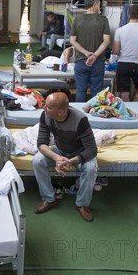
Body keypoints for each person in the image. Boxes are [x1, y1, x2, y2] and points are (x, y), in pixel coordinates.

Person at [32, 92, 98, 222]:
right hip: (60, 151)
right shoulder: (45, 116)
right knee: (37, 161)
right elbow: (41, 143)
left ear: (61, 112)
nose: (44, 108)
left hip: (80, 153)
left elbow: (92, 149)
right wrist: (56, 157)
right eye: (45, 104)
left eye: (48, 107)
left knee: (91, 168)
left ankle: (82, 204)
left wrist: (73, 160)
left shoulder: (80, 120)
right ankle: (49, 199)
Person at [69, 0, 111, 102]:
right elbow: (106, 41)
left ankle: (79, 116)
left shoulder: (77, 20)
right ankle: (95, 115)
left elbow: (73, 41)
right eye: (99, 4)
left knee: (80, 91)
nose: (100, 6)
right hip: (98, 62)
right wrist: (95, 55)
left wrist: (86, 53)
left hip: (80, 60)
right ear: (95, 3)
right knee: (97, 92)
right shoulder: (103, 20)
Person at [113, 4, 138, 101]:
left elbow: (115, 50)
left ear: (128, 15)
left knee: (124, 90)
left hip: (123, 63)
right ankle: (135, 104)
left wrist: (123, 52)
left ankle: (127, 109)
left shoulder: (120, 30)